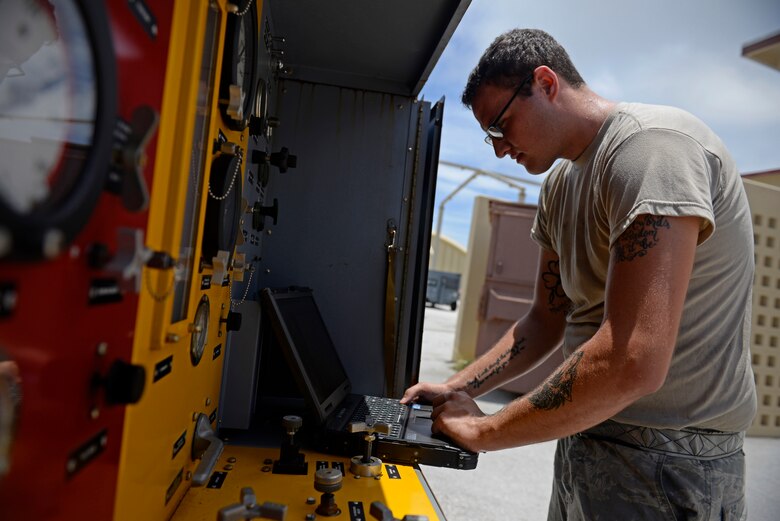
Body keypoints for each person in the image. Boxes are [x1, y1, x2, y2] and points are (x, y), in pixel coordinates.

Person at [401, 28, 756, 520]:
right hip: (586, 440)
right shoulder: (560, 185)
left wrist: (485, 431)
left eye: (502, 126)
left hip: (670, 463)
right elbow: (544, 320)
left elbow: (632, 360)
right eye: (490, 137)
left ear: (545, 82)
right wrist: (459, 389)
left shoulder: (652, 151)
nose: (499, 149)